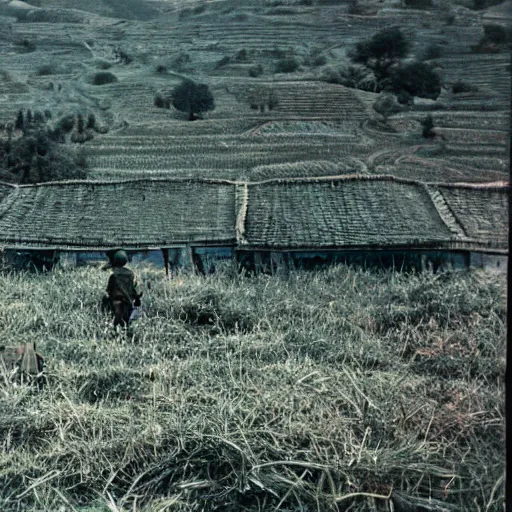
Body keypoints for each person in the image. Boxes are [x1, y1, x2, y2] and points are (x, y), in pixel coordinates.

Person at [104, 250, 142, 328]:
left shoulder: (113, 275)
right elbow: (134, 287)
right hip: (128, 301)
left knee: (108, 308)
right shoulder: (131, 274)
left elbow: (108, 290)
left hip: (116, 300)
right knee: (127, 321)